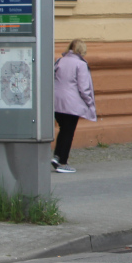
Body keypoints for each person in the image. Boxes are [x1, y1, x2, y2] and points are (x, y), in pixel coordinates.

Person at [52, 39, 96, 173]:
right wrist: (89, 103)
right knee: (68, 132)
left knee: (63, 129)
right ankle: (63, 163)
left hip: (56, 102)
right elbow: (84, 87)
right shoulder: (80, 64)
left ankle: (57, 156)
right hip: (71, 103)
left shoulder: (60, 61)